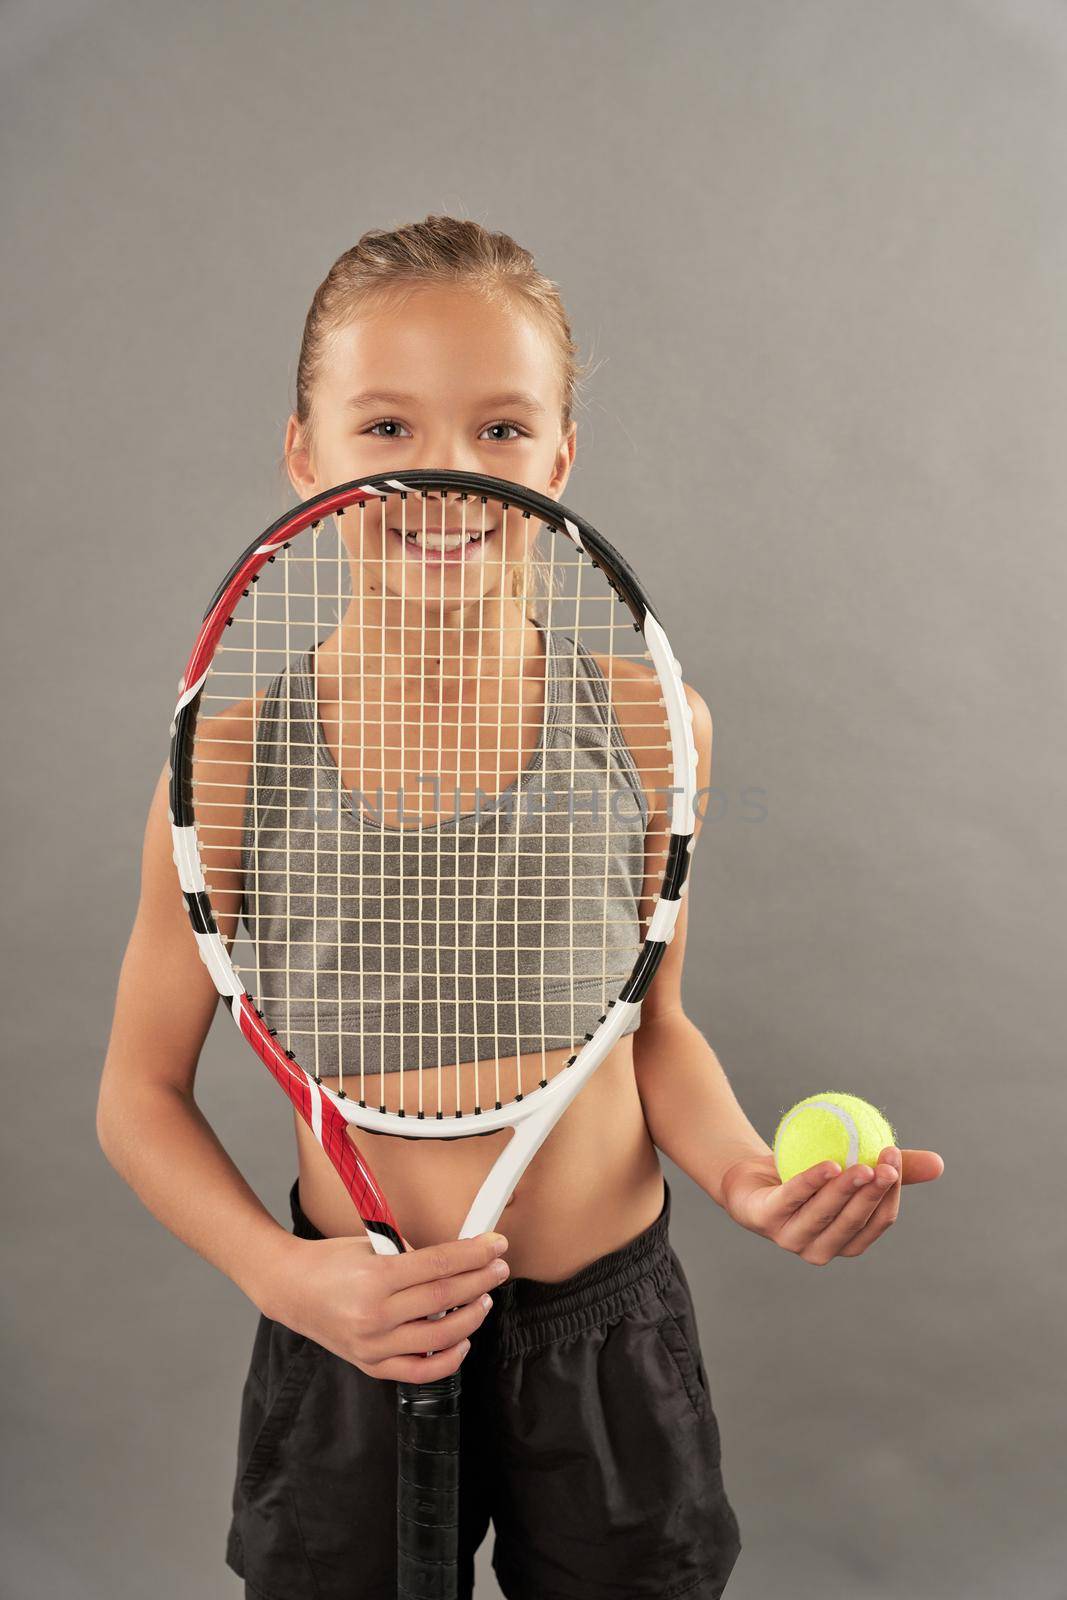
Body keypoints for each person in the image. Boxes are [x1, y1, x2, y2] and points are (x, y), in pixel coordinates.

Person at [98, 215, 939, 1600]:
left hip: (607, 1337)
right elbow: (136, 1092)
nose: (445, 472)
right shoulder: (232, 765)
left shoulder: (649, 722)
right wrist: (288, 1281)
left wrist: (743, 1176)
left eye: (499, 428)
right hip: (351, 1333)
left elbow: (653, 1030)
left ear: (558, 459)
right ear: (304, 456)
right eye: (385, 426)